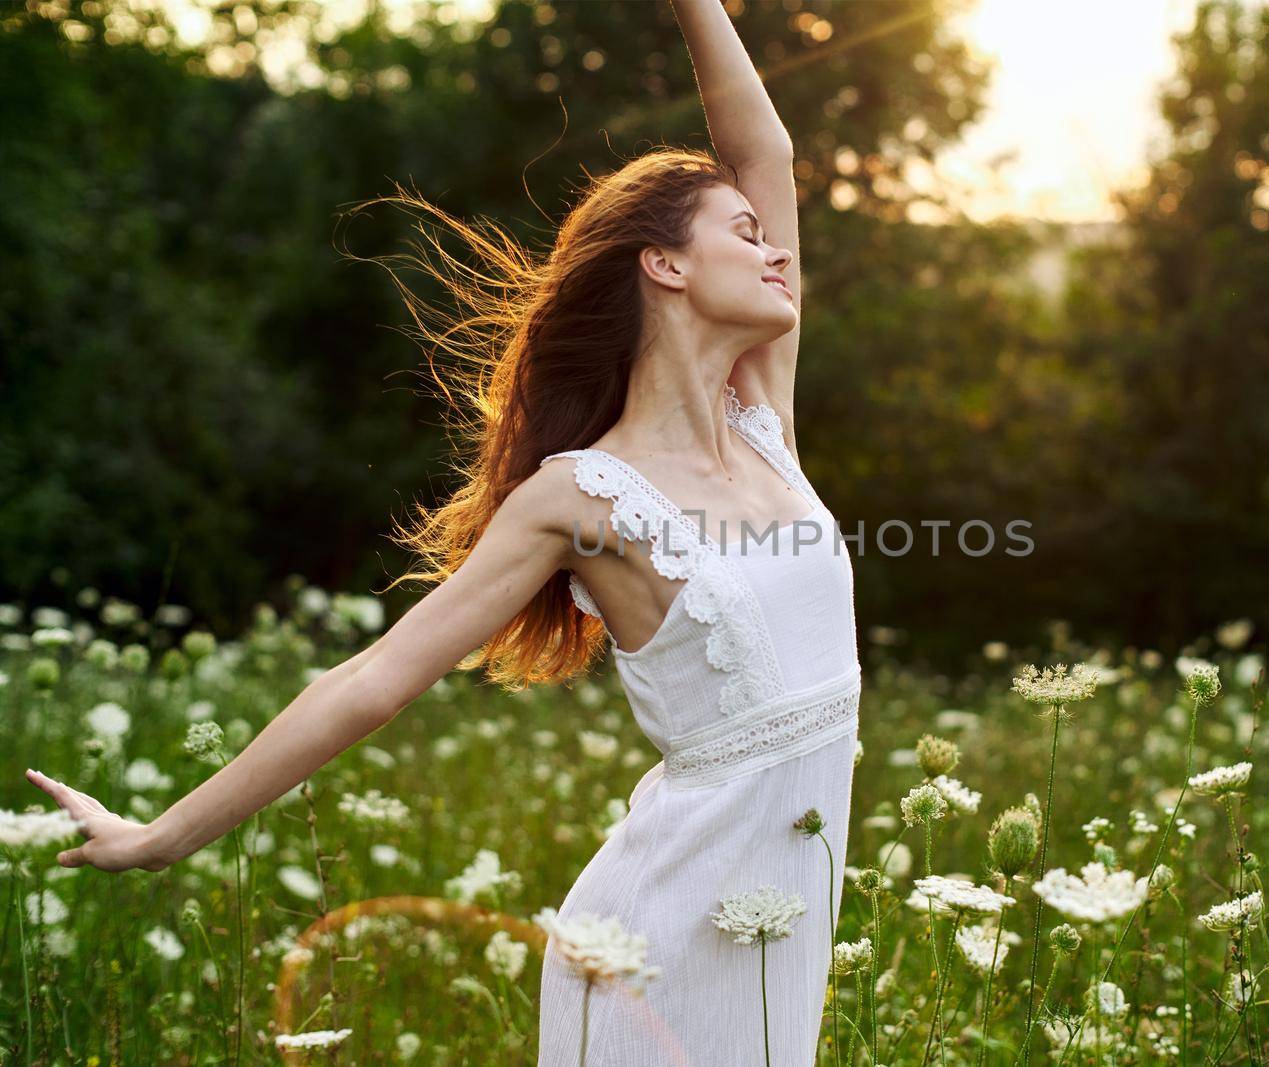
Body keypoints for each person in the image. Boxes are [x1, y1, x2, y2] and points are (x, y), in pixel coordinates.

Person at [24, 0, 858, 1061]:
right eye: (745, 234)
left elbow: (764, 146)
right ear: (665, 265)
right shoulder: (579, 497)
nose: (778, 253)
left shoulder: (762, 422)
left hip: (781, 922)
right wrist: (161, 835)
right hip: (659, 935)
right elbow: (371, 679)